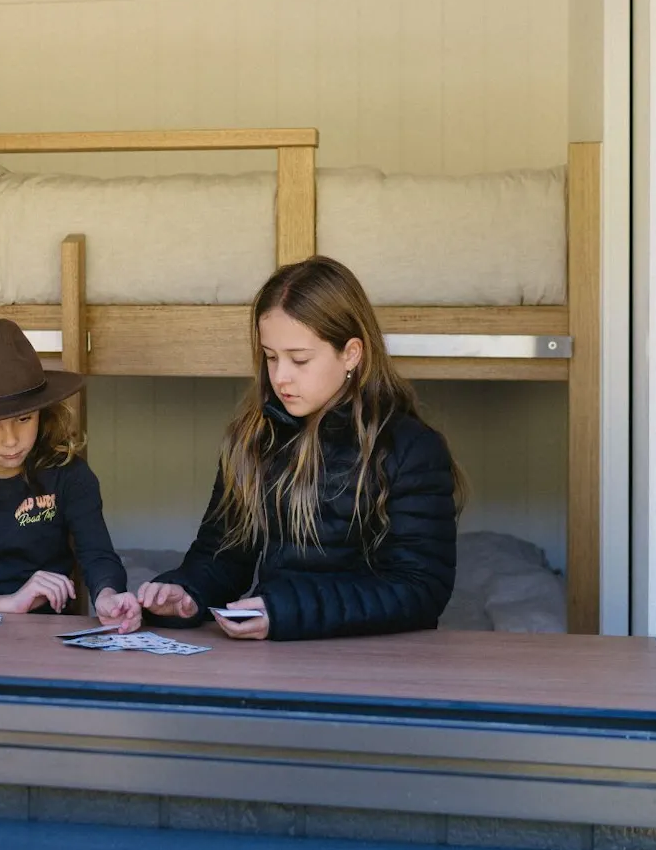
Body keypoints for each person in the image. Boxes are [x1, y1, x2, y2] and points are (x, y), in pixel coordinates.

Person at [137, 256, 462, 641]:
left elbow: (420, 590)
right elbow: (223, 556)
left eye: (299, 359)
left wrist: (286, 612)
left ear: (352, 354)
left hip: (381, 665)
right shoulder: (254, 438)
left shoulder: (411, 449)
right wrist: (186, 592)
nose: (279, 377)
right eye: (270, 357)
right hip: (279, 652)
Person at [0, 318, 141, 631]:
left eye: (24, 419)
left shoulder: (69, 474)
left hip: (48, 635)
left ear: (43, 413)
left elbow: (98, 556)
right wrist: (10, 604)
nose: (11, 440)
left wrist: (107, 595)